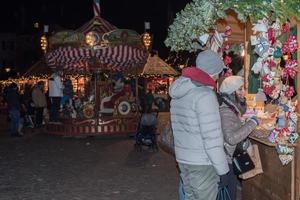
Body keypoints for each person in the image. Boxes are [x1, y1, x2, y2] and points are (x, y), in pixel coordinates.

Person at [169, 49, 229, 200]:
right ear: (213, 72)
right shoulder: (205, 95)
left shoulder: (179, 92)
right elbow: (212, 138)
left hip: (183, 159)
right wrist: (223, 171)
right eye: (218, 73)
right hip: (202, 163)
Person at [218, 76, 259, 200]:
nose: (243, 92)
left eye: (243, 89)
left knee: (230, 191)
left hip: (227, 157)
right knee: (230, 193)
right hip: (226, 159)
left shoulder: (230, 106)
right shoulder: (226, 110)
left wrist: (241, 122)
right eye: (240, 89)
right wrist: (252, 123)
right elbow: (231, 138)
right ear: (231, 92)